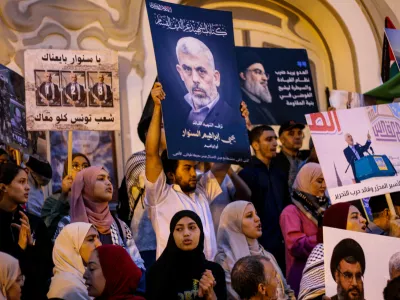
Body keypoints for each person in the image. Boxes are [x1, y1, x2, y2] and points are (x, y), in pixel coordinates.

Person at [145, 83, 249, 260]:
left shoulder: (201, 192)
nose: (193, 174)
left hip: (208, 274)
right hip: (176, 278)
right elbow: (151, 153)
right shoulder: (160, 195)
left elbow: (226, 158)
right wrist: (157, 108)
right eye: (186, 168)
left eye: (193, 167)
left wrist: (240, 123)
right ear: (170, 174)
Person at [54, 166, 145, 272]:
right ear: (85, 186)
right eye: (101, 179)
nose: (108, 183)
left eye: (109, 179)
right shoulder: (68, 224)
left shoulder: (120, 225)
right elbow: (61, 262)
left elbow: (137, 263)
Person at [215, 201, 294, 300]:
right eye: (249, 216)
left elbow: (286, 290)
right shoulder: (224, 260)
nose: (257, 219)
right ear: (234, 223)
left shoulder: (266, 255)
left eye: (256, 214)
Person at [239, 125, 291, 271]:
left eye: (275, 139)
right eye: (269, 139)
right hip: (259, 245)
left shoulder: (279, 172)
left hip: (283, 243)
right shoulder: (246, 174)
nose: (275, 143)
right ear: (255, 145)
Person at [146, 210, 227, 300]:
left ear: (201, 233)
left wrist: (211, 295)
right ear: (172, 235)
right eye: (179, 229)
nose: (186, 233)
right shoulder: (156, 273)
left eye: (192, 227)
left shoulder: (215, 272)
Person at [0, 163, 53, 300]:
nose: (28, 187)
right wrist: (19, 249)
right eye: (21, 182)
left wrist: (31, 247)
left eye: (27, 182)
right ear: (3, 187)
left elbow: (47, 268)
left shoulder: (33, 223)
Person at [298, 201, 367, 300]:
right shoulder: (323, 252)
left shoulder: (365, 251)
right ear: (339, 222)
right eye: (355, 217)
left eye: (359, 276)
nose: (364, 220)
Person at [280, 163, 328, 296]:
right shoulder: (290, 212)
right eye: (319, 181)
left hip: (326, 275)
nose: (324, 185)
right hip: (302, 277)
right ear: (305, 181)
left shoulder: (325, 209)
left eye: (325, 181)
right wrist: (322, 237)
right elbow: (295, 246)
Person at [175, 37, 236, 127]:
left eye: (201, 71)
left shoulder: (233, 119)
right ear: (181, 72)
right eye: (187, 69)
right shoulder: (176, 112)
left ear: (216, 78)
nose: (195, 79)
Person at [41, 153, 91, 239]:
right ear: (66, 171)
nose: (81, 169)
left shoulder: (93, 199)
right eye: (75, 166)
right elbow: (47, 229)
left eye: (85, 166)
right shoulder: (53, 200)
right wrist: (64, 196)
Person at [47, 222, 101, 300]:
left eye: (98, 238)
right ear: (72, 246)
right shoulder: (66, 287)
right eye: (91, 240)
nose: (99, 244)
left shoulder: (82, 277)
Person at [237, 50, 277, 125]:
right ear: (243, 76)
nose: (265, 78)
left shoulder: (263, 107)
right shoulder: (239, 105)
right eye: (258, 72)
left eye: (265, 74)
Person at [275, 121, 308, 189]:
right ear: (281, 139)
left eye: (299, 133)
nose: (297, 137)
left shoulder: (308, 156)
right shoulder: (274, 161)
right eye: (291, 133)